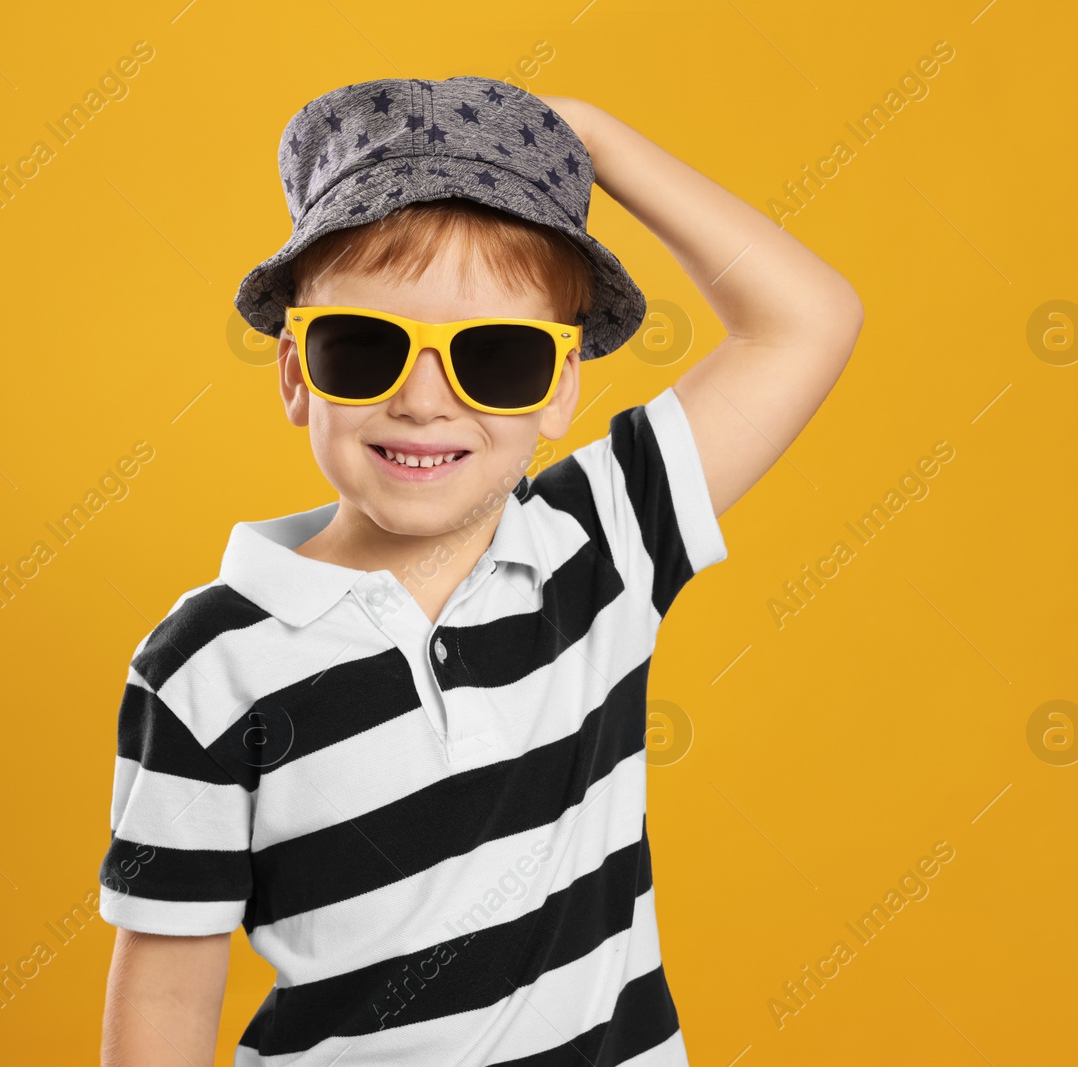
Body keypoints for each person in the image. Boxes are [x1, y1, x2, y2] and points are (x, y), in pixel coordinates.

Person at [98, 76, 863, 1066]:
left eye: (494, 358)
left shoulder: (600, 540)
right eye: (362, 348)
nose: (424, 401)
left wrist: (588, 135)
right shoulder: (205, 662)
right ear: (295, 372)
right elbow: (164, 984)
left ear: (559, 389)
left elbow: (806, 320)